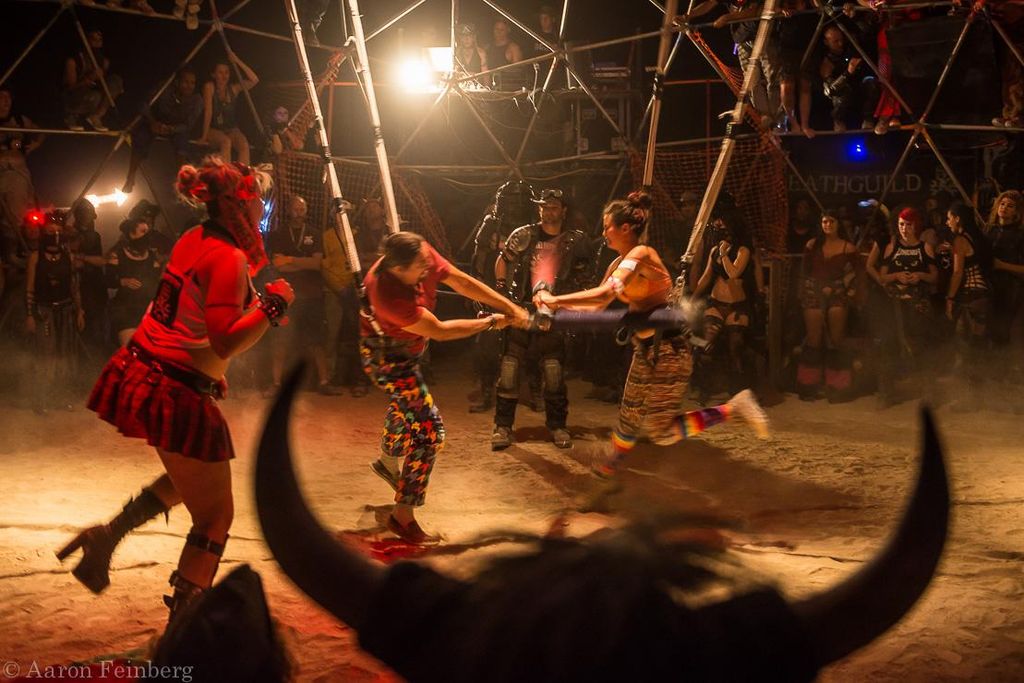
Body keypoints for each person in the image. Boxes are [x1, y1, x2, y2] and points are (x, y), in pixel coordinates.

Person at [56, 158, 294, 622]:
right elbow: (225, 337)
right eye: (256, 198)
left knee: (190, 482)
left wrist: (227, 346)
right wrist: (272, 305)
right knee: (216, 517)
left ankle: (107, 535)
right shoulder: (226, 257)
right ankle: (182, 632)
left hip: (149, 371)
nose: (262, 206)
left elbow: (186, 315)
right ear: (237, 206)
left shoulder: (194, 237)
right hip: (172, 387)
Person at [534, 191, 769, 481]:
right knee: (629, 417)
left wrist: (555, 302)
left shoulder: (642, 255)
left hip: (669, 349)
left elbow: (606, 294)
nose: (604, 232)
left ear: (626, 228)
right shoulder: (618, 263)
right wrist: (552, 306)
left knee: (662, 432)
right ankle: (610, 466)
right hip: (644, 349)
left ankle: (733, 408)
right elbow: (597, 302)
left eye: (608, 226)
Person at [361, 231, 528, 543]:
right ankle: (402, 515)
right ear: (398, 270)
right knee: (428, 431)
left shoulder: (417, 252)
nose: (428, 269)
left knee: (405, 406)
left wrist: (509, 306)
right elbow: (438, 330)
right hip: (388, 360)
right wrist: (493, 321)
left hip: (409, 350)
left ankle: (386, 461)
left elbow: (459, 280)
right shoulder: (386, 295)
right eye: (420, 268)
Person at [491, 188, 593, 450]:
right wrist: (503, 292)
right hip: (522, 311)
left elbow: (584, 278)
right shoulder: (524, 235)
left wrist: (572, 305)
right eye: (544, 206)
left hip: (554, 314)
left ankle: (557, 426)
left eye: (553, 207)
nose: (548, 211)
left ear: (563, 210)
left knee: (553, 372)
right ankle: (503, 427)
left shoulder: (575, 241)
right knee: (510, 370)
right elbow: (503, 261)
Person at [468, 181, 535, 413]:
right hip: (493, 289)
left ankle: (527, 389)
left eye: (520, 201)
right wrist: (477, 291)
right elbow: (479, 258)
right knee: (487, 341)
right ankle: (486, 390)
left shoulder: (535, 227)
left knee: (527, 341)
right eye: (512, 200)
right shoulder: (492, 224)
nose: (516, 206)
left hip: (524, 290)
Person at [266, 195, 338, 395]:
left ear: (307, 210)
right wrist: (302, 261)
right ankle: (276, 383)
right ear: (288, 210)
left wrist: (290, 260)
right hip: (286, 296)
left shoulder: (315, 233)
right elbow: (278, 265)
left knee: (316, 340)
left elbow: (316, 264)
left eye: (302, 209)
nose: (299, 212)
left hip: (312, 294)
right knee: (280, 339)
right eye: (295, 208)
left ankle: (324, 382)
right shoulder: (279, 234)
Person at [692, 197, 757, 398]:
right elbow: (706, 277)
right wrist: (692, 297)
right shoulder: (714, 251)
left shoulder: (743, 250)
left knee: (735, 346)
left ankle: (737, 391)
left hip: (737, 306)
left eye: (723, 223)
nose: (719, 226)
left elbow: (734, 273)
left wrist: (724, 254)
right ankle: (705, 388)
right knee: (706, 345)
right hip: (716, 304)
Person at [795, 211, 860, 402]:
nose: (828, 225)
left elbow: (856, 274)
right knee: (814, 340)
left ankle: (838, 387)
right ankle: (809, 386)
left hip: (838, 293)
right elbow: (804, 272)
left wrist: (849, 293)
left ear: (838, 224)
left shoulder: (848, 247)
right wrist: (804, 292)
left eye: (832, 221)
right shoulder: (812, 245)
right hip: (813, 292)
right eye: (824, 221)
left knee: (836, 340)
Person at [877, 206, 938, 406]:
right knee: (889, 344)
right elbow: (882, 276)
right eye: (901, 225)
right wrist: (896, 275)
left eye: (908, 225)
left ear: (916, 226)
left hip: (917, 302)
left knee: (920, 343)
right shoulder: (892, 247)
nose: (904, 229)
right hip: (894, 303)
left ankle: (928, 391)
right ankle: (887, 393)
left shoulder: (924, 247)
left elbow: (934, 276)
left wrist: (919, 276)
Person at [25, 211, 83, 413]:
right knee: (46, 355)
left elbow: (74, 286)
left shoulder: (68, 256)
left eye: (58, 231)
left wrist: (79, 311)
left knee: (65, 354)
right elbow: (30, 288)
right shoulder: (35, 257)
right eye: (51, 231)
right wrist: (30, 315)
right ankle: (42, 399)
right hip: (44, 311)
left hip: (65, 310)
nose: (55, 234)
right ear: (44, 233)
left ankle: (63, 396)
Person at [944, 201, 992, 409]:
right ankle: (977, 396)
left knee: (966, 347)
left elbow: (957, 272)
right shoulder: (979, 238)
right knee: (977, 347)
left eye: (949, 218)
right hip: (984, 297)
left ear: (958, 219)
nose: (947, 222)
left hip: (971, 297)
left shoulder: (960, 240)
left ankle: (970, 399)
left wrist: (950, 299)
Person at [123, 68, 203, 193]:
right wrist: (152, 122)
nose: (189, 86)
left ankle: (183, 181)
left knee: (182, 142)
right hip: (156, 122)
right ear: (177, 82)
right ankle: (130, 176)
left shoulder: (196, 100)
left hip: (177, 128)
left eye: (192, 83)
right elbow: (143, 104)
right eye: (185, 82)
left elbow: (189, 125)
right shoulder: (165, 89)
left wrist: (172, 129)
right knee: (140, 137)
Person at [0, 89, 43, 294]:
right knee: (7, 217)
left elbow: (41, 131)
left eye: (8, 97)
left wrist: (32, 145)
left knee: (19, 215)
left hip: (20, 177)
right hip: (3, 176)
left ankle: (21, 254)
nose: (5, 102)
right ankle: (9, 255)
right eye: (1, 98)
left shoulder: (19, 120)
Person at [983, 190, 1024, 376]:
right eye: (1002, 204)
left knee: (1002, 331)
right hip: (988, 286)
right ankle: (990, 371)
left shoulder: (1019, 236)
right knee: (987, 329)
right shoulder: (989, 230)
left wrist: (1002, 265)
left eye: (1010, 206)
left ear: (1017, 211)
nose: (1004, 208)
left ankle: (1003, 373)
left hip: (1009, 288)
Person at [106, 217, 163, 347]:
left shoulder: (152, 256)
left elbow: (156, 281)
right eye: (143, 232)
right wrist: (123, 281)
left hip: (146, 309)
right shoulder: (118, 254)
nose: (146, 235)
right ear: (132, 234)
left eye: (147, 232)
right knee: (130, 352)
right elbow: (107, 280)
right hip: (125, 310)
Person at [198, 51, 259, 165]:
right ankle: (226, 177)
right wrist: (204, 136)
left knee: (244, 144)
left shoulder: (233, 89)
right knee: (226, 142)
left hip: (231, 129)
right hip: (213, 129)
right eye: (220, 72)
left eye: (227, 72)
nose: (224, 76)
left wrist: (236, 60)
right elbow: (208, 112)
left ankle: (243, 178)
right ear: (213, 74)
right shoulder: (209, 87)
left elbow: (254, 80)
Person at [819, 25, 880, 132]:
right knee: (843, 91)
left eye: (841, 40)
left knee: (871, 82)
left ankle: (868, 118)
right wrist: (848, 72)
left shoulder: (850, 49)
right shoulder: (826, 62)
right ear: (826, 42)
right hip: (842, 95)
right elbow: (830, 90)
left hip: (859, 88)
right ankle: (838, 120)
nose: (840, 44)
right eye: (835, 41)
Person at [62, 27, 123, 132]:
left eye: (100, 39)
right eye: (93, 39)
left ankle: (96, 116)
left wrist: (114, 88)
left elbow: (102, 84)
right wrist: (88, 78)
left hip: (93, 95)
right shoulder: (73, 61)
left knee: (116, 81)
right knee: (95, 96)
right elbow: (69, 89)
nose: (97, 41)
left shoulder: (104, 61)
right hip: (75, 97)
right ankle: (71, 116)